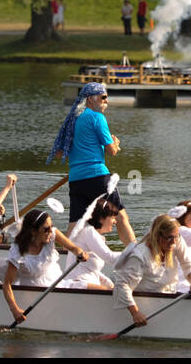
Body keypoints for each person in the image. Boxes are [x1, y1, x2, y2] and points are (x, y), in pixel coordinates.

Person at [49, 82, 135, 244]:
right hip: (98, 177)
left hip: (76, 180)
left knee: (76, 224)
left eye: (107, 98)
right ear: (90, 99)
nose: (106, 101)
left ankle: (67, 255)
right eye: (102, 98)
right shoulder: (97, 117)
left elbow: (60, 152)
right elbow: (112, 151)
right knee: (120, 216)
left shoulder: (74, 120)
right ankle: (136, 253)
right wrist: (116, 143)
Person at [2, 208, 90, 323]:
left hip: (56, 281)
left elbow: (73, 248)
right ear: (33, 231)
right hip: (35, 290)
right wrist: (15, 310)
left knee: (89, 285)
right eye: (46, 229)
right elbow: (7, 284)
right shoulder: (18, 250)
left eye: (51, 226)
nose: (51, 231)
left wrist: (80, 253)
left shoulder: (52, 233)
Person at [111, 215, 191, 325]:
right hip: (147, 301)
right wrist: (135, 313)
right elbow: (122, 285)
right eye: (169, 238)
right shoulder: (139, 255)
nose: (173, 242)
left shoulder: (176, 240)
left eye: (176, 237)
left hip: (168, 296)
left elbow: (188, 264)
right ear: (157, 236)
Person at [63, 198, 124, 289]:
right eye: (112, 218)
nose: (115, 221)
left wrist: (110, 284)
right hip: (78, 283)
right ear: (101, 219)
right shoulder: (88, 231)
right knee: (118, 294)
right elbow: (110, 258)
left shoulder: (96, 235)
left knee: (117, 290)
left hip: (88, 282)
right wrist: (134, 253)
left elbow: (94, 271)